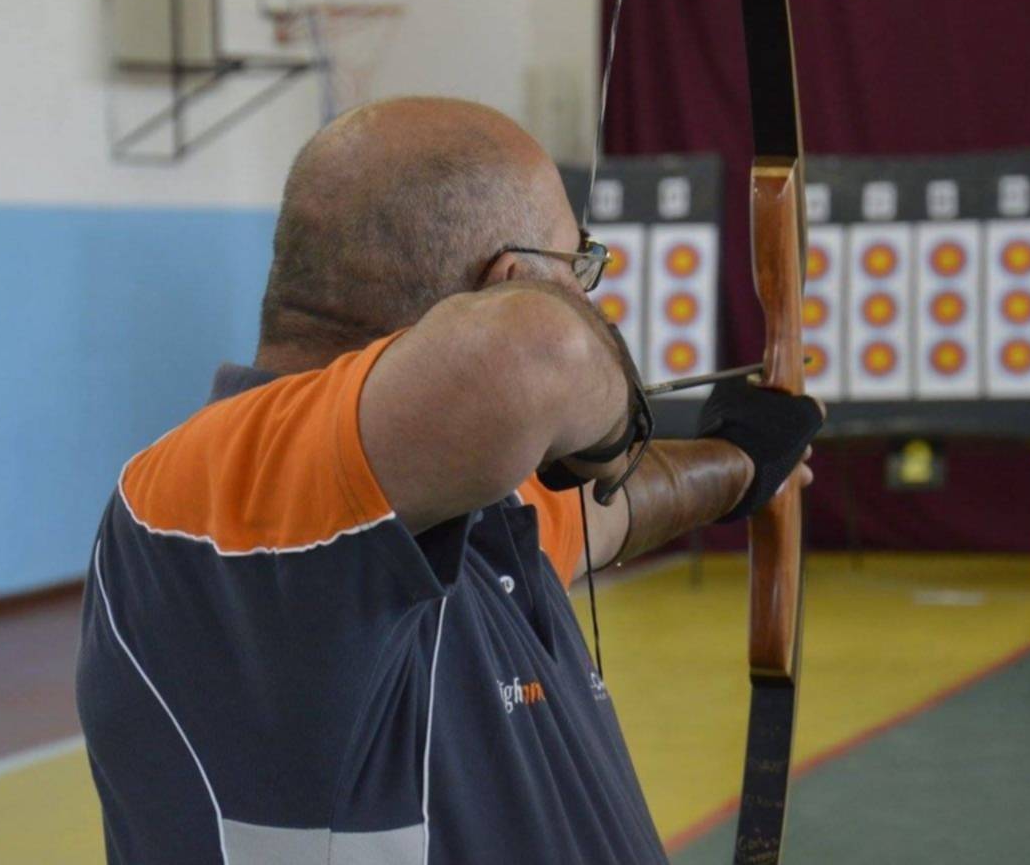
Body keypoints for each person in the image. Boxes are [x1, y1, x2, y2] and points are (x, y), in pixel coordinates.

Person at [76, 97, 822, 864]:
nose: (584, 297)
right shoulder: (225, 484)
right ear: (510, 281)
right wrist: (618, 426)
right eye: (576, 267)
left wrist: (742, 462)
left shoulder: (427, 498)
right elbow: (532, 349)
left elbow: (613, 510)